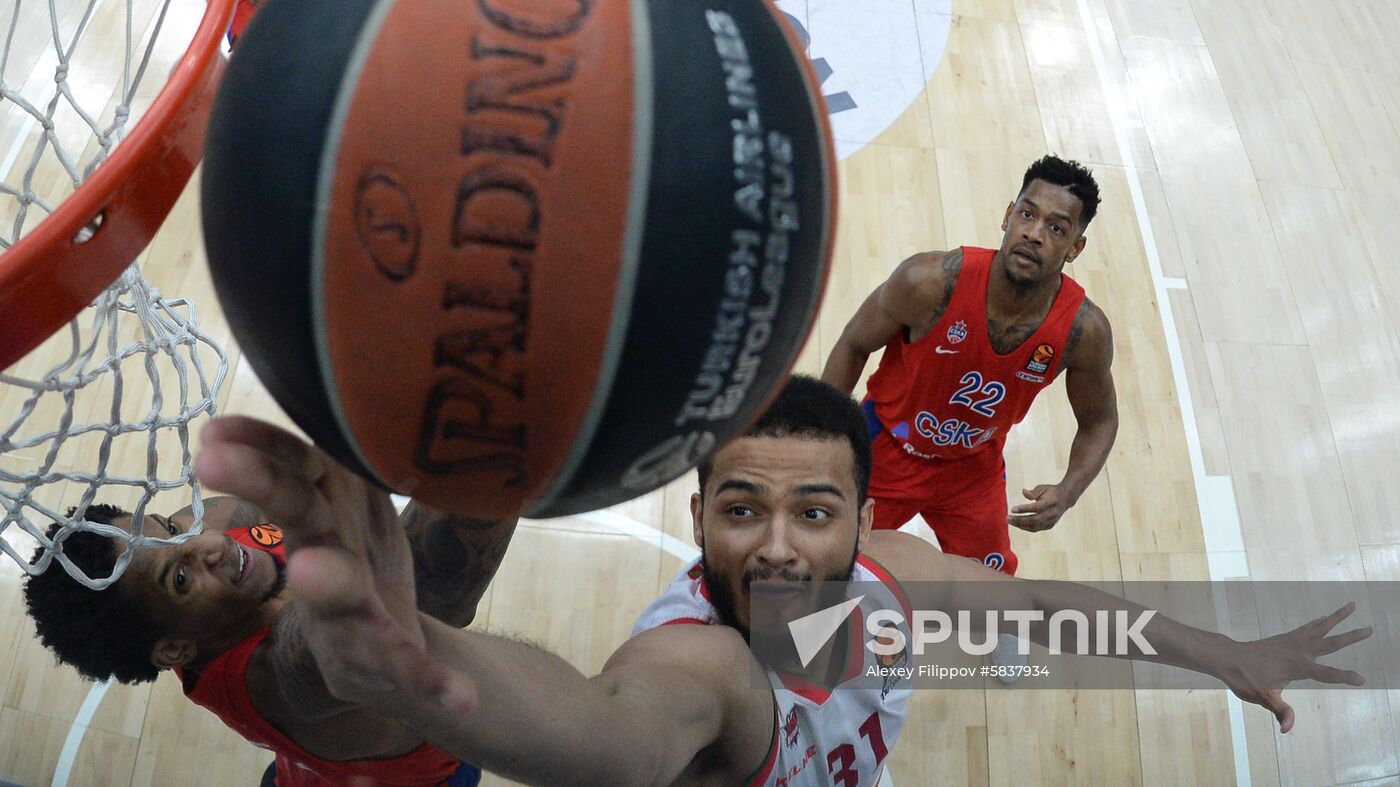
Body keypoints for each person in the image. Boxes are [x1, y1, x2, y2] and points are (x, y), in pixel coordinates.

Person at [194, 376, 1370, 787]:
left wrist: (1225, 652)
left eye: (811, 511)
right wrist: (427, 670)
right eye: (740, 507)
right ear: (695, 515)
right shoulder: (698, 664)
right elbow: (607, 730)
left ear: (863, 519)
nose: (774, 546)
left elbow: (1058, 617)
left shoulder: (896, 577)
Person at [22, 431, 517, 787]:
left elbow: (329, 490)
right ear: (174, 647)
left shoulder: (208, 534)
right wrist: (504, 423)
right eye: (179, 578)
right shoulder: (289, 675)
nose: (210, 542)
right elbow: (432, 586)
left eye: (168, 529)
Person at [822, 154, 1119, 580]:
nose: (1033, 234)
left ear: (1075, 248)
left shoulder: (1083, 331)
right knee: (831, 561)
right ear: (1007, 217)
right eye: (1026, 214)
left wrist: (1069, 491)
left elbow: (1100, 421)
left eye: (1056, 228)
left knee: (994, 586)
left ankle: (1005, 637)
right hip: (885, 448)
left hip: (971, 469)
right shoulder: (928, 282)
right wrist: (825, 438)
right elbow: (853, 344)